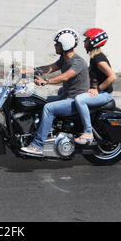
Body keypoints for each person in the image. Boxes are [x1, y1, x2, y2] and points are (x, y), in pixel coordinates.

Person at [21, 28, 89, 156]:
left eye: (57, 43)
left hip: (74, 101)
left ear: (65, 45)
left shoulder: (78, 62)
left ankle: (38, 145)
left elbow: (65, 76)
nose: (54, 45)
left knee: (48, 108)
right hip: (65, 97)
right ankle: (36, 133)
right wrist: (24, 72)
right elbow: (49, 68)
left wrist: (46, 81)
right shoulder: (64, 59)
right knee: (37, 101)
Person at [74, 28, 116, 145]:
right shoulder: (94, 57)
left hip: (105, 95)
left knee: (80, 100)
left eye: (87, 39)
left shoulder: (99, 59)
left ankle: (88, 133)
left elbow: (112, 76)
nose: (84, 42)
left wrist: (98, 89)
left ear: (93, 42)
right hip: (100, 92)